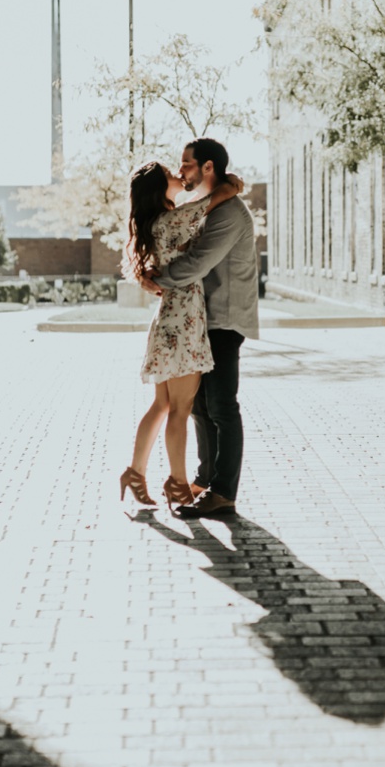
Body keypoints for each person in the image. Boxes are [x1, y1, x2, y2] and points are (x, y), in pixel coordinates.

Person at [138, 137, 260, 517]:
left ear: (208, 167)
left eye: (187, 163)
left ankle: (223, 492)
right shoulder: (202, 207)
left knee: (222, 406)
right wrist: (147, 273)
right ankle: (205, 481)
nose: (181, 171)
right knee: (201, 408)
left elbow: (197, 264)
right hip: (200, 320)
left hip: (223, 317)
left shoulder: (228, 214)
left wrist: (158, 278)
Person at [118, 162, 244, 511]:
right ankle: (177, 483)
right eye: (171, 173)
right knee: (180, 409)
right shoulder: (173, 219)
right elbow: (217, 197)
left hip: (168, 321)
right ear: (161, 186)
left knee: (163, 405)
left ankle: (135, 473)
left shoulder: (157, 221)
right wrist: (231, 183)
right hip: (184, 320)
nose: (178, 173)